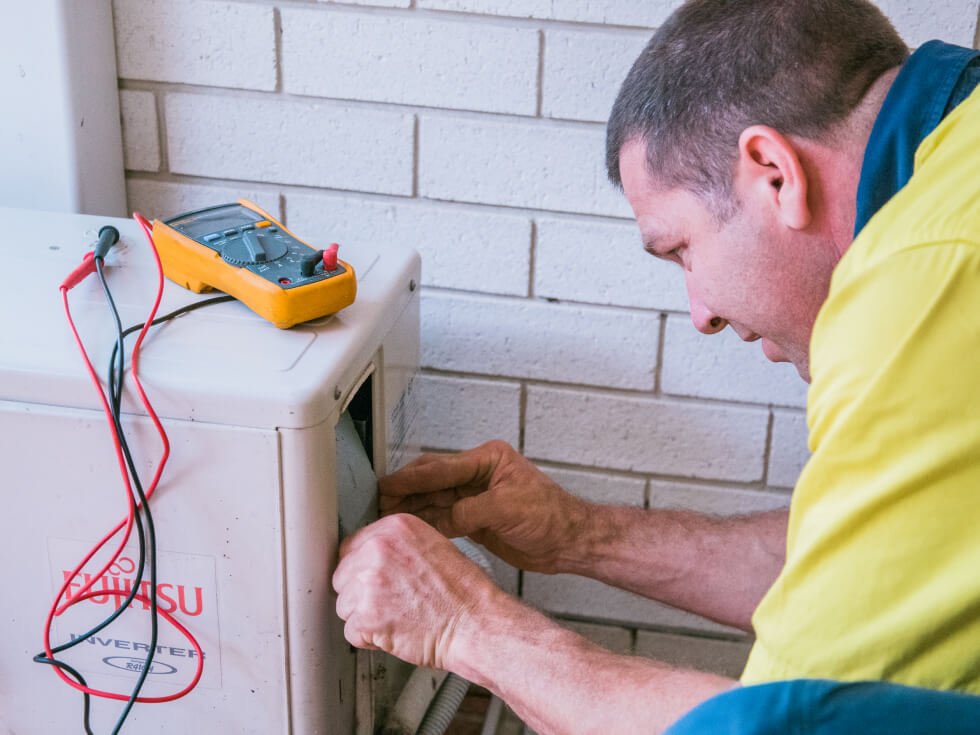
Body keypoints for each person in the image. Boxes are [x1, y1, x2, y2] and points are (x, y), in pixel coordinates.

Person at [333, 0, 980, 731]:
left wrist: (464, 626)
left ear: (773, 171)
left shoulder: (926, 277)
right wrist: (577, 532)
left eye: (680, 249)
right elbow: (855, 573)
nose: (699, 310)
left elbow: (776, 725)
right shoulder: (955, 165)